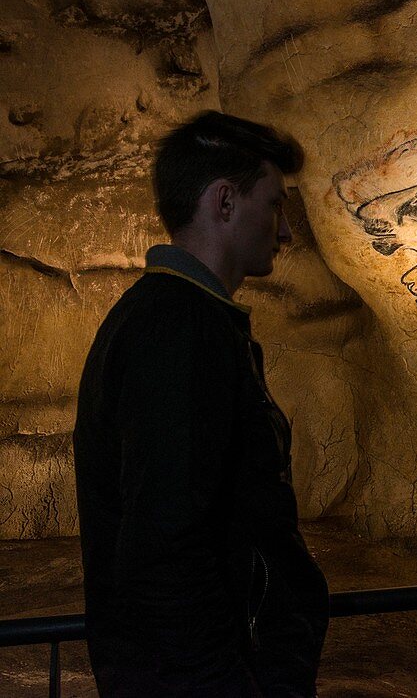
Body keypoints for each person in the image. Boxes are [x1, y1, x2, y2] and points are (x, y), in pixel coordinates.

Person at [74, 111, 328, 697]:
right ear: (223, 202)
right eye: (273, 204)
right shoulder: (179, 329)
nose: (284, 231)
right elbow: (165, 547)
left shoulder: (180, 319)